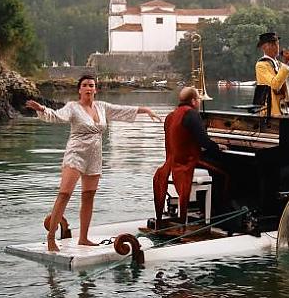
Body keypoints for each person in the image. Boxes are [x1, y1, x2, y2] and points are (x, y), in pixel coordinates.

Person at [26, 74, 161, 252]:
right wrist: (42, 109)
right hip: (76, 153)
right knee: (64, 194)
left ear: (95, 89)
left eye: (92, 85)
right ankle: (51, 237)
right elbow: (58, 117)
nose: (89, 88)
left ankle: (83, 238)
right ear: (80, 90)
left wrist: (145, 110)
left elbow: (122, 110)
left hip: (95, 156)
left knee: (88, 196)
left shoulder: (102, 107)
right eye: (85, 85)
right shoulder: (73, 107)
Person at [153, 87, 226, 228]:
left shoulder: (171, 115)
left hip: (173, 162)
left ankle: (201, 208)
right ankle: (217, 215)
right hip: (188, 162)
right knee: (226, 171)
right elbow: (204, 142)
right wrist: (218, 148)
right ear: (193, 101)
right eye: (198, 99)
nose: (199, 102)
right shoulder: (191, 114)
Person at [254, 32, 289, 116]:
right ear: (263, 47)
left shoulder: (281, 65)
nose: (276, 47)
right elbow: (274, 85)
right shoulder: (261, 65)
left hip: (287, 110)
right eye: (272, 45)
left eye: (277, 44)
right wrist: (286, 64)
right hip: (271, 112)